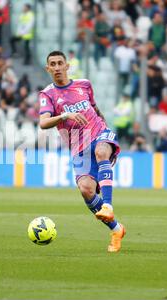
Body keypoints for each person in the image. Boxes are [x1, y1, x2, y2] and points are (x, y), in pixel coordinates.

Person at [39, 51, 126, 253]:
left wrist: (104, 124)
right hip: (78, 146)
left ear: (67, 66)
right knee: (86, 190)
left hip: (99, 133)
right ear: (48, 69)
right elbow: (43, 123)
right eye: (53, 64)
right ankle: (117, 229)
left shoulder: (84, 84)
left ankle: (108, 206)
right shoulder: (47, 94)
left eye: (60, 63)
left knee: (102, 152)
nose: (57, 67)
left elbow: (95, 108)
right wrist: (65, 115)